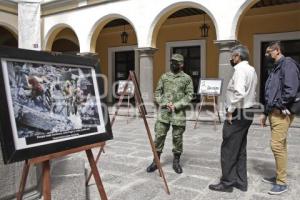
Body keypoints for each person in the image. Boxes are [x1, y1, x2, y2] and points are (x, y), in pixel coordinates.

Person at [209, 45, 257, 192]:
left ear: (238, 56)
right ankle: (241, 182)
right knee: (240, 149)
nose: (230, 59)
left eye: (232, 56)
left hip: (238, 113)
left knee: (229, 149)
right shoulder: (251, 69)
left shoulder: (240, 70)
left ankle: (227, 182)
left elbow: (240, 93)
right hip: (248, 111)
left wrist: (230, 111)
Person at [260, 41, 300, 195]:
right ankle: (279, 175)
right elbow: (270, 91)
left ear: (277, 51)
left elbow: (291, 90)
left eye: (268, 52)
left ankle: (282, 183)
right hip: (273, 112)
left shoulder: (288, 65)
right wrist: (265, 113)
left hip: (281, 113)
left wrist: (278, 106)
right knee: (281, 145)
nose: (267, 55)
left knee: (276, 145)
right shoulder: (276, 67)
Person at [146, 53, 193, 174]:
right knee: (159, 136)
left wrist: (177, 105)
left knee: (177, 138)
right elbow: (157, 93)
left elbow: (190, 95)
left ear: (181, 64)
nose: (173, 64)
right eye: (172, 62)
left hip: (178, 114)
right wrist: (165, 103)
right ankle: (155, 161)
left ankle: (176, 162)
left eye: (176, 62)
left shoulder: (187, 78)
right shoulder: (164, 77)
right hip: (164, 113)